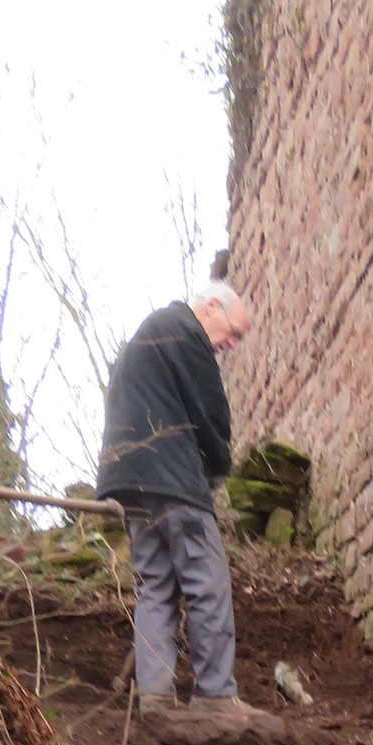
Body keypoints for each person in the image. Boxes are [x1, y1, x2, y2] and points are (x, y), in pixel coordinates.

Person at [96, 283, 254, 718]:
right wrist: (217, 468)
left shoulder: (151, 335)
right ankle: (215, 695)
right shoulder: (185, 331)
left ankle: (156, 696)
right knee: (207, 581)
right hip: (171, 480)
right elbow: (212, 415)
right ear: (211, 308)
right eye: (233, 333)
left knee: (155, 585)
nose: (230, 345)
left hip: (130, 480)